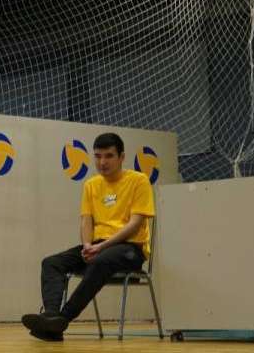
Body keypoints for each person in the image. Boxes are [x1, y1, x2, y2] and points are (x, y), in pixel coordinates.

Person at [22, 132, 155, 341]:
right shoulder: (91, 184)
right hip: (97, 247)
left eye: (109, 156)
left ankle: (62, 320)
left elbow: (135, 224)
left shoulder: (139, 181)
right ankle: (50, 316)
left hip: (130, 249)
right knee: (51, 263)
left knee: (100, 261)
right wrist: (87, 245)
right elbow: (86, 220)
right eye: (98, 156)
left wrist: (100, 248)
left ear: (122, 157)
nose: (103, 162)